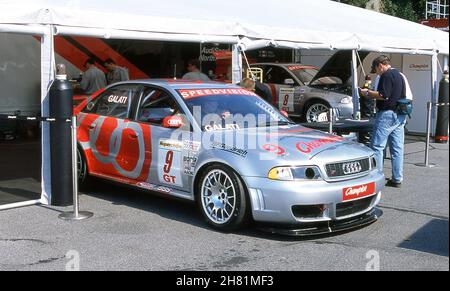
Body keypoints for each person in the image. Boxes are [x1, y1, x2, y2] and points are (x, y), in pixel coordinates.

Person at [359, 55, 408, 188]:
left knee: (377, 146)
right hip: (400, 114)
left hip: (387, 114)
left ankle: (377, 178)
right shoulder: (399, 74)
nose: (377, 73)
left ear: (380, 65)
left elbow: (383, 95)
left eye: (376, 69)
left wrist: (367, 93)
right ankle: (397, 178)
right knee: (397, 148)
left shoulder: (386, 75)